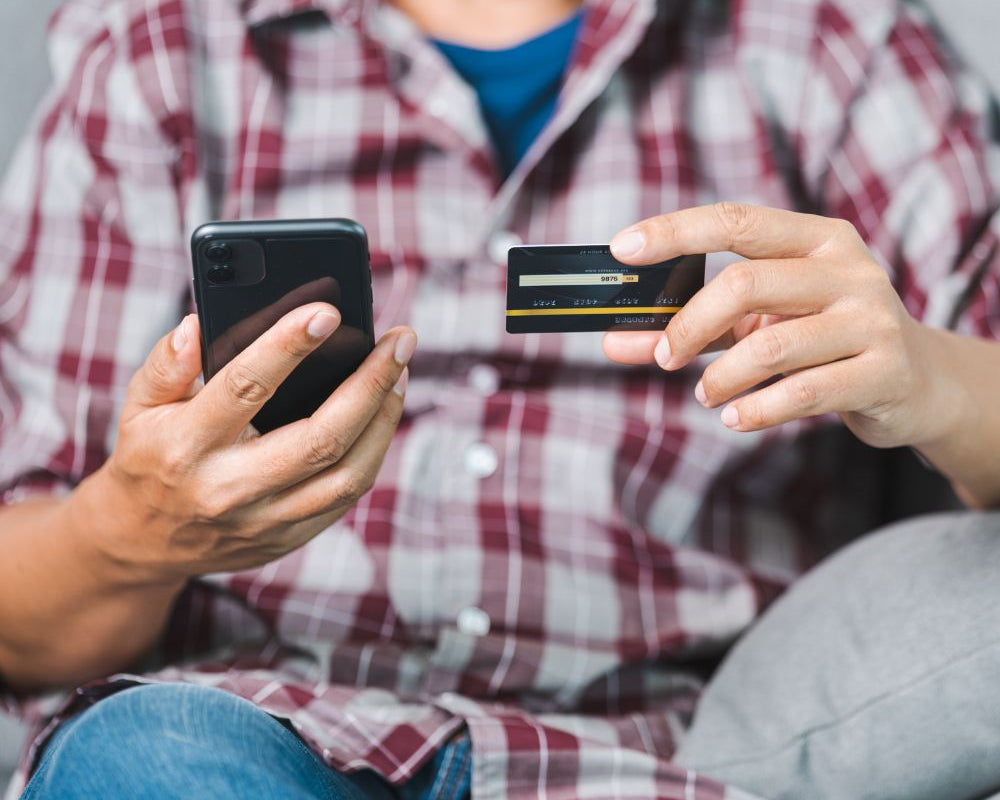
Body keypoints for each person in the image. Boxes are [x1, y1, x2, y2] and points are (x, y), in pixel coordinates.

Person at [0, 0, 998, 797]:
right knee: (146, 758)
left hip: (677, 750)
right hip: (247, 729)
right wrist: (135, 531)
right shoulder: (161, 53)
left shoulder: (835, 40)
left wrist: (927, 372)